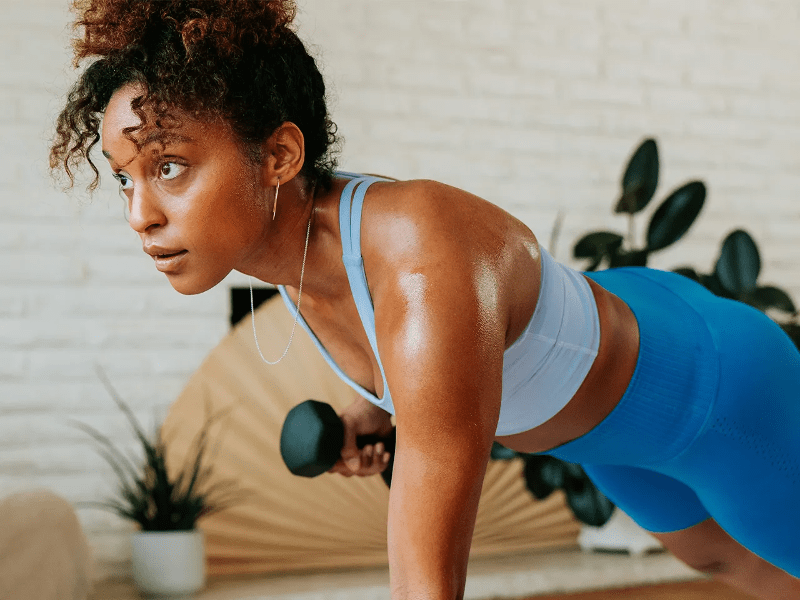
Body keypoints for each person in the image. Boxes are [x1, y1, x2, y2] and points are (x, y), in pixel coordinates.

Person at [50, 2, 800, 599]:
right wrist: (370, 409)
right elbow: (422, 351)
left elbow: (426, 581)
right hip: (605, 436)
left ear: (278, 156)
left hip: (709, 389)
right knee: (716, 559)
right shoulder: (295, 256)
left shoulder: (419, 250)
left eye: (170, 166)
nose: (139, 212)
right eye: (125, 176)